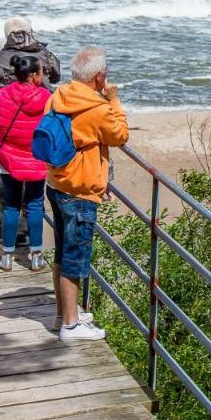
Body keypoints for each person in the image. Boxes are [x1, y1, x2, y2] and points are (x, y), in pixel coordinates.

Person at [46, 45, 129, 342]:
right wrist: (114, 99)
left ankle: (63, 313)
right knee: (75, 256)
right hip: (79, 190)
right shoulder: (97, 109)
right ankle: (71, 325)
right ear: (99, 77)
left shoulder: (59, 96)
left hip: (56, 182)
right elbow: (120, 135)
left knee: (61, 252)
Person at [0, 54, 51, 272]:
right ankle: (36, 256)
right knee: (34, 205)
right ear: (34, 75)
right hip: (36, 159)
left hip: (9, 158)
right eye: (42, 71)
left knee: (11, 205)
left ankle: (7, 256)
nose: (44, 75)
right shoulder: (46, 97)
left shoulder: (1, 96)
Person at [0, 17, 61, 148]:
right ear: (30, 33)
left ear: (6, 36)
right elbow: (56, 77)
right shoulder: (45, 55)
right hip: (42, 120)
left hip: (8, 122)